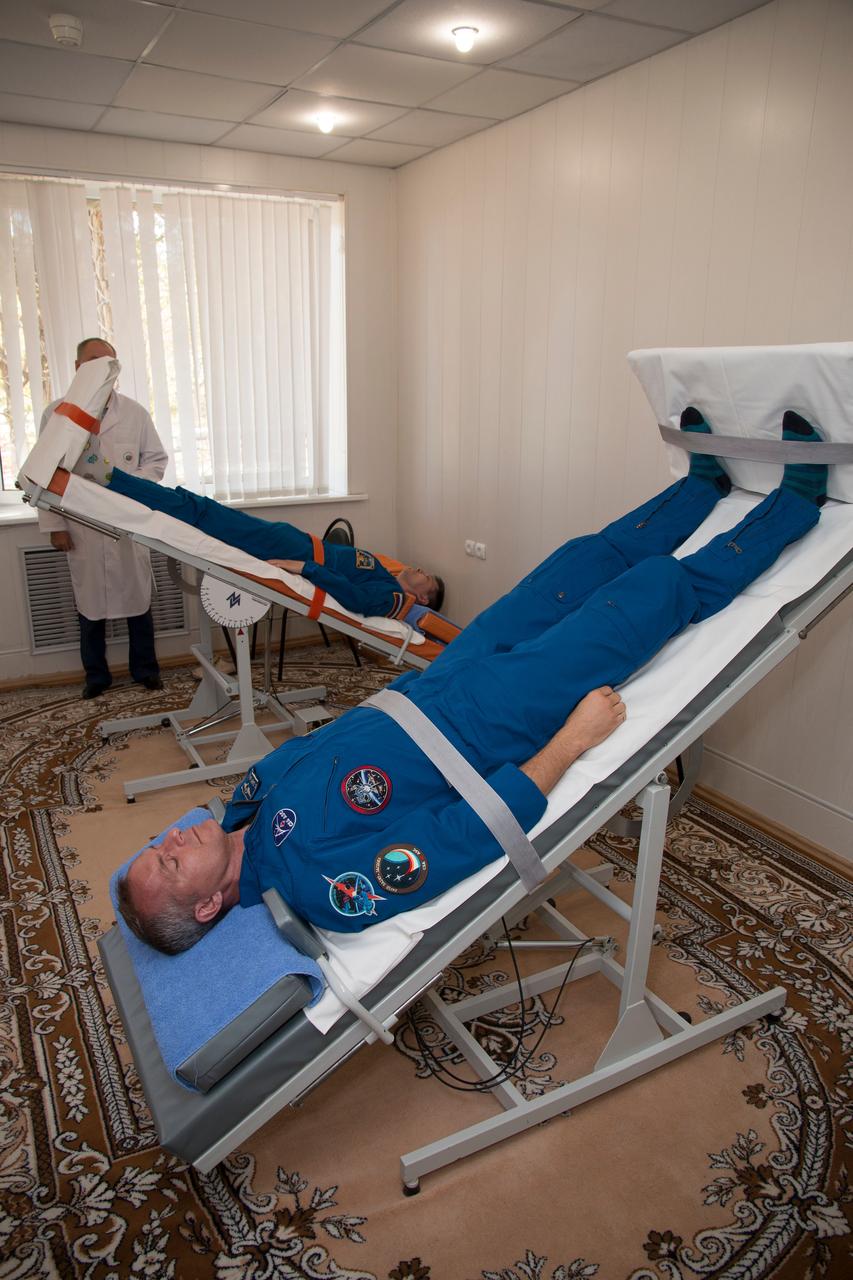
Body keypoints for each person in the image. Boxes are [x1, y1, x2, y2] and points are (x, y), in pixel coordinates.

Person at [116, 408, 828, 954]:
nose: (170, 843)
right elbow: (469, 832)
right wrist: (570, 743)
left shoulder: (243, 806)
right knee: (652, 593)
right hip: (499, 721)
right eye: (171, 868)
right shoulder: (322, 888)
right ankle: (795, 506)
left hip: (444, 679)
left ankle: (698, 488)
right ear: (209, 907)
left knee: (581, 561)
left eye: (157, 847)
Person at [98, 467, 444, 622]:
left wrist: (304, 567)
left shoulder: (392, 597)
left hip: (297, 552)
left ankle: (109, 478)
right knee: (199, 510)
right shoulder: (389, 573)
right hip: (296, 541)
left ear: (423, 598)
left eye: (428, 577)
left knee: (199, 511)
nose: (421, 570)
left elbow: (358, 600)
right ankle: (112, 480)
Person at [39, 338, 169, 699]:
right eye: (94, 359)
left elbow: (156, 460)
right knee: (90, 605)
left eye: (109, 359)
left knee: (137, 600)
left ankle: (146, 670)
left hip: (128, 522)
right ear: (79, 366)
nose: (103, 365)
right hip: (81, 525)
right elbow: (44, 473)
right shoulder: (56, 414)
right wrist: (55, 527)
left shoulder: (134, 413)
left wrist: (131, 486)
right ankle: (96, 677)